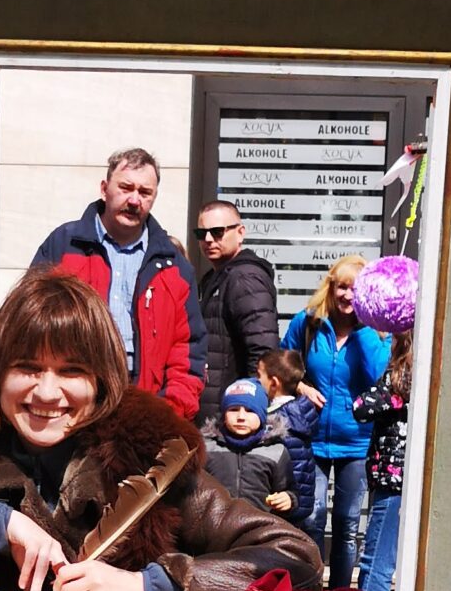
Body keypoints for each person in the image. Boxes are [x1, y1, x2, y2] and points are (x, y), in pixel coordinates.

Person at [0, 271, 321, 591]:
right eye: (27, 367)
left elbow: (296, 558)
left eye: (71, 371)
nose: (47, 393)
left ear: (101, 383)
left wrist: (148, 588)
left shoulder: (152, 461)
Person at [29, 146, 206, 419]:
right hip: (69, 404)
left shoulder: (175, 266)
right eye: (125, 188)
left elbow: (189, 351)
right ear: (104, 189)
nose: (134, 200)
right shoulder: (64, 245)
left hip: (145, 407)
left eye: (145, 192)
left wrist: (166, 414)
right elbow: (29, 323)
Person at [282, 258, 389, 590]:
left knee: (346, 524)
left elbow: (379, 375)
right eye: (342, 287)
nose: (347, 295)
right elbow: (281, 365)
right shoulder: (308, 323)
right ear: (331, 287)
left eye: (356, 289)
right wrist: (300, 387)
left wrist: (366, 325)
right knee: (311, 517)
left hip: (357, 441)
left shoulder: (377, 332)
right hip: (311, 437)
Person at [193, 201, 279, 423]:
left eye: (217, 232)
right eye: (201, 233)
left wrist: (246, 410)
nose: (208, 239)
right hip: (216, 412)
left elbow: (263, 353)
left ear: (240, 233)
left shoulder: (244, 278)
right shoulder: (216, 278)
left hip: (231, 416)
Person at [354, 328, 412, 591]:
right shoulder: (405, 379)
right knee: (381, 549)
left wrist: (394, 395)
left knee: (377, 552)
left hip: (393, 479)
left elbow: (360, 407)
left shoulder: (400, 378)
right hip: (393, 476)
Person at [257, 347, 322, 538]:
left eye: (259, 375)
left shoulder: (277, 420)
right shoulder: (301, 414)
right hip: (298, 503)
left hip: (282, 503)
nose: (256, 380)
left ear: (274, 383)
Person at [201, 377, 291, 511]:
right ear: (224, 414)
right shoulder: (207, 448)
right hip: (214, 522)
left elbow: (288, 489)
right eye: (234, 409)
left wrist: (288, 499)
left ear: (262, 416)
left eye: (250, 411)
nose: (241, 417)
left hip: (259, 522)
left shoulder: (276, 451)